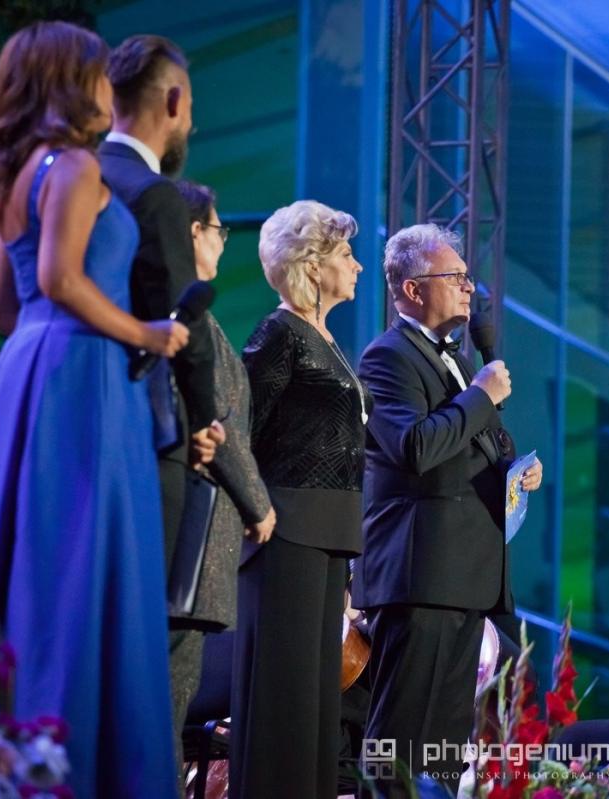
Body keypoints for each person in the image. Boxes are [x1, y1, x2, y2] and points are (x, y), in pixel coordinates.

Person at [0, 21, 185, 797]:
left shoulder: (17, 176)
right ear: (74, 82)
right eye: (99, 73)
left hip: (27, 371)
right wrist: (144, 333)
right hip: (85, 380)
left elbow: (2, 308)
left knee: (26, 561)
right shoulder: (76, 165)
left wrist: (48, 341)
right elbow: (62, 278)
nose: (110, 88)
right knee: (79, 566)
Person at [354, 224, 543, 795]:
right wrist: (481, 395)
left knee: (441, 750)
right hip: (422, 576)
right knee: (399, 743)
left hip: (466, 578)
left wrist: (516, 471)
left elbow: (471, 446)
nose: (468, 287)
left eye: (467, 276)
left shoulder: (458, 361)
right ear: (413, 290)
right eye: (454, 276)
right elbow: (415, 447)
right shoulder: (387, 358)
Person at [99, 35, 225, 773]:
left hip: (69, 408)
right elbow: (183, 325)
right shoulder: (154, 196)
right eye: (192, 108)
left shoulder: (71, 175)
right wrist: (204, 419)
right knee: (141, 626)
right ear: (173, 101)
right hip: (147, 433)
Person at [231, 200, 366, 798]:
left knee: (316, 704)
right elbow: (239, 430)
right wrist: (256, 510)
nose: (357, 266)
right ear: (312, 266)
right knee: (285, 699)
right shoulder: (280, 333)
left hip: (329, 534)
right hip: (287, 534)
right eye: (346, 254)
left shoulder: (324, 338)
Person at [170, 179, 276, 764]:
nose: (223, 241)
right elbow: (219, 420)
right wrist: (259, 504)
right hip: (190, 532)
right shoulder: (183, 314)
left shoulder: (196, 314)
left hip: (200, 531)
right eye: (218, 230)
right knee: (167, 700)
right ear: (193, 233)